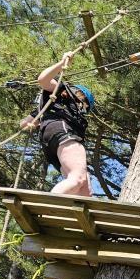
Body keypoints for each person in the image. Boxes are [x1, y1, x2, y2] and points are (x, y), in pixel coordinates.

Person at [19, 52, 93, 197]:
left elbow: (24, 123)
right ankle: (49, 206)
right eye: (83, 105)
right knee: (78, 178)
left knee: (85, 189)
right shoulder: (62, 91)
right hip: (62, 132)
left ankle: (72, 216)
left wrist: (32, 124)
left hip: (50, 141)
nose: (82, 109)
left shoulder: (47, 108)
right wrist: (61, 63)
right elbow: (43, 80)